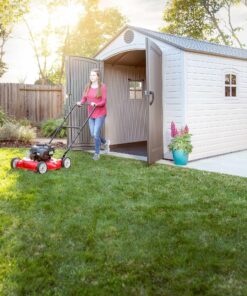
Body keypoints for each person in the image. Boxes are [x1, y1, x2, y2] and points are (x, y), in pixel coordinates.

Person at [77, 68, 110, 160]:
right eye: (90, 75)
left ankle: (97, 153)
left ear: (98, 76)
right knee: (93, 134)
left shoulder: (102, 86)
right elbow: (84, 98)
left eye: (94, 75)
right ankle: (106, 142)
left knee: (96, 133)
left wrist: (96, 104)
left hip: (100, 113)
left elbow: (104, 101)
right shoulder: (88, 86)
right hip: (91, 113)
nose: (91, 77)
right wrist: (80, 102)